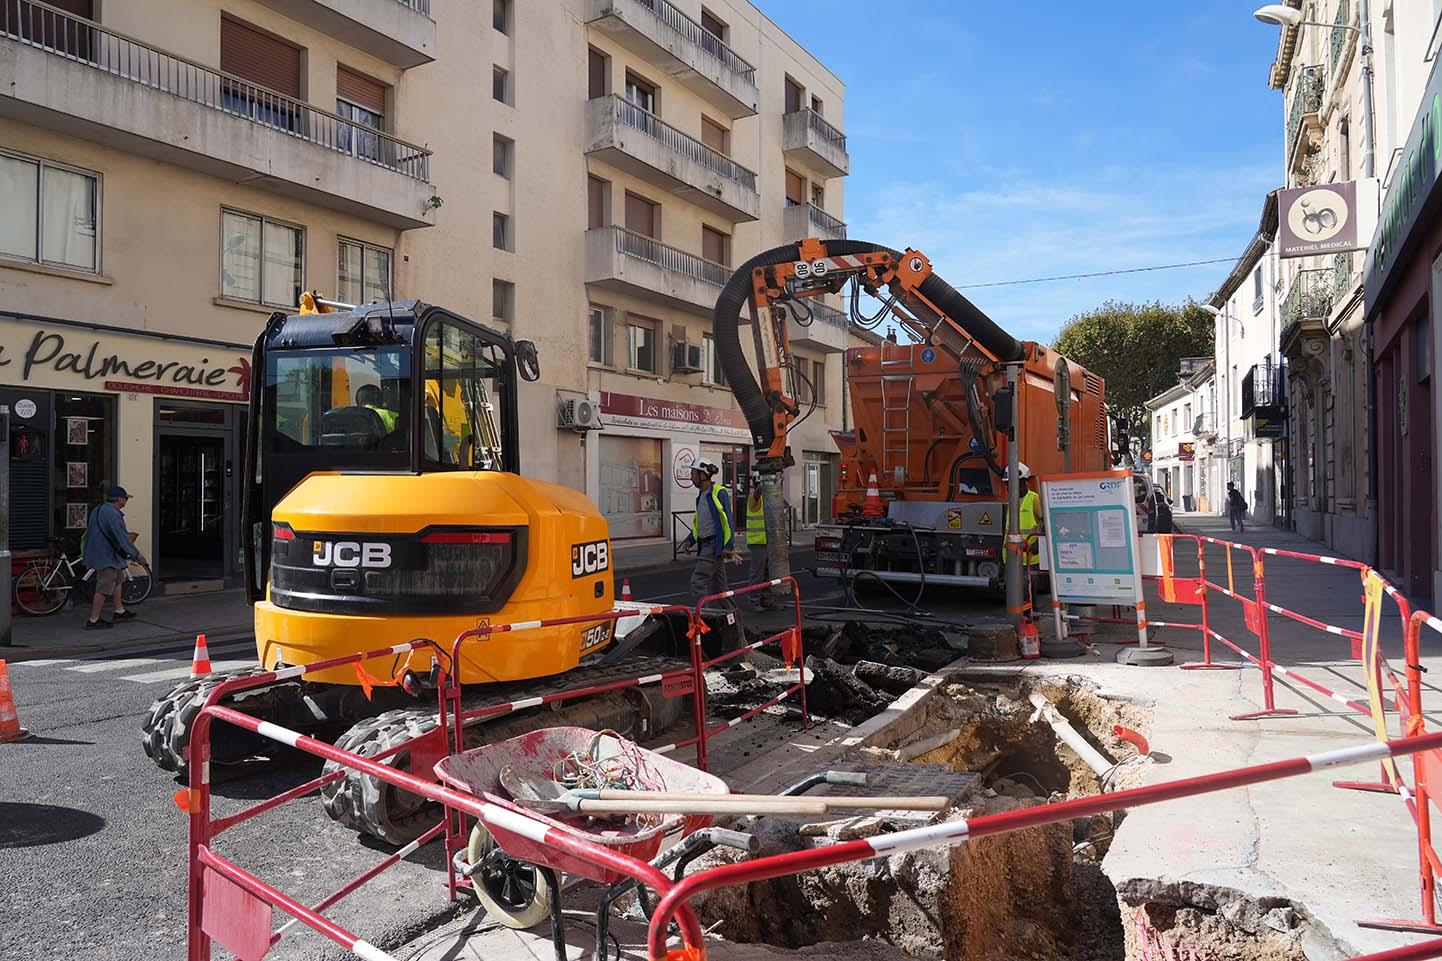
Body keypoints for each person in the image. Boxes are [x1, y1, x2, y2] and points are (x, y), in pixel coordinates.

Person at [82, 486, 146, 630]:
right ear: (119, 499)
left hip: (101, 553)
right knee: (104, 586)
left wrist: (87, 556)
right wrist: (137, 556)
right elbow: (122, 538)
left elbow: (90, 534)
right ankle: (93, 620)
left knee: (118, 579)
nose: (126, 501)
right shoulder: (113, 514)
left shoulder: (98, 509)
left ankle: (119, 611)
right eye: (125, 498)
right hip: (106, 556)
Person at [679, 458, 737, 605]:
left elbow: (728, 521)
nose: (691, 476)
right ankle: (732, 618)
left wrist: (728, 546)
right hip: (707, 544)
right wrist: (690, 540)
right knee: (720, 589)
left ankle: (705, 618)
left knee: (698, 583)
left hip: (713, 545)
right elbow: (700, 525)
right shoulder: (701, 497)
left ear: (703, 474)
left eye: (693, 473)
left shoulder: (718, 493)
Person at [743, 473, 774, 609]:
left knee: (768, 573)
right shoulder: (754, 498)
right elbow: (758, 491)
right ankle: (754, 601)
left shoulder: (768, 499)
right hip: (757, 542)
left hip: (767, 541)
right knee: (757, 573)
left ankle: (766, 600)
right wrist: (766, 480)